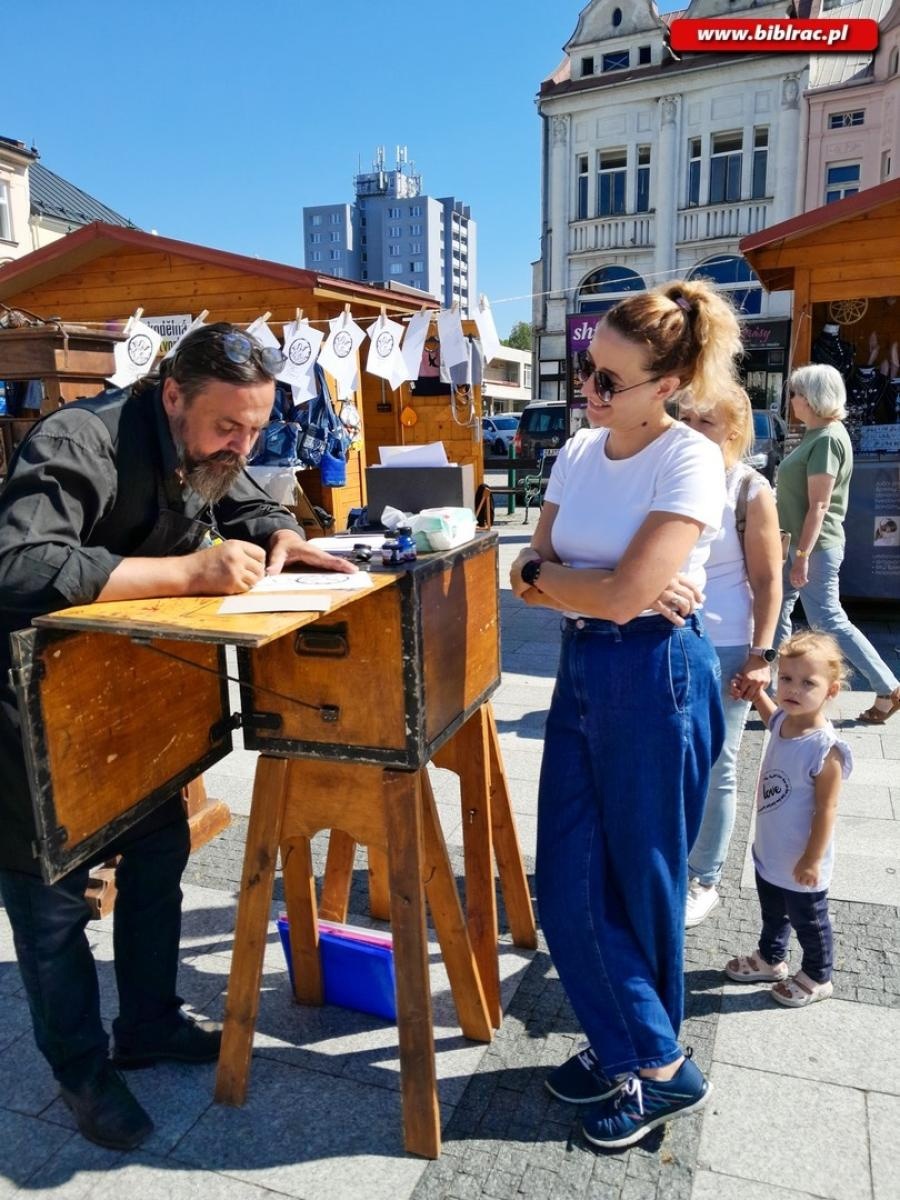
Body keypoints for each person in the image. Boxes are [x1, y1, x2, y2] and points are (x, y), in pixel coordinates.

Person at [0, 322, 355, 1151]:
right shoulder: (78, 440)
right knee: (51, 906)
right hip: (31, 709)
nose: (241, 442)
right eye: (227, 426)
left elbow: (243, 494)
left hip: (128, 698)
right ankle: (83, 1076)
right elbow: (17, 564)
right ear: (171, 396)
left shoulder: (212, 444)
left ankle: (150, 1021)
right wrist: (184, 574)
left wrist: (281, 534)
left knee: (158, 852)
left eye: (257, 427)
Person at [510, 279, 739, 1150]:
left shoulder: (688, 459)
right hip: (587, 666)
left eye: (609, 380)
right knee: (566, 882)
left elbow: (614, 594)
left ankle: (648, 1066)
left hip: (656, 678)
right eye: (586, 370)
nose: (589, 391)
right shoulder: (577, 451)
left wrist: (587, 590)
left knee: (640, 885)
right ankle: (640, 1053)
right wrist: (592, 591)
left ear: (667, 386)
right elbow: (526, 570)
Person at [679, 386, 783, 926]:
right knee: (671, 759)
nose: (693, 428)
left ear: (734, 432)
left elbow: (769, 581)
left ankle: (704, 878)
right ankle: (673, 862)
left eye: (708, 422)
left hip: (725, 644)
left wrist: (761, 655)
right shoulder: (668, 471)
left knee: (718, 762)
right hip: (668, 638)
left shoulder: (748, 489)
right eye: (687, 416)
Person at [725, 631, 852, 1006]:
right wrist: (756, 693)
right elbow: (771, 718)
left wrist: (812, 859)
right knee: (773, 912)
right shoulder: (784, 721)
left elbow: (827, 809)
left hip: (802, 861)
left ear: (830, 692)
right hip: (771, 852)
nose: (793, 689)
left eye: (807, 683)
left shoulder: (825, 749)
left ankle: (817, 974)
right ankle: (771, 958)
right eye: (786, 679)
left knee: (809, 922)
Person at [775, 364, 900, 722]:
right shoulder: (819, 434)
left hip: (811, 547)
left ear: (813, 398)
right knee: (778, 611)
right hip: (798, 545)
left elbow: (820, 504)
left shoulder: (827, 437)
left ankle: (887, 686)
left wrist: (802, 556)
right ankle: (771, 686)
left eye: (796, 393)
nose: (792, 400)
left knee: (828, 619)